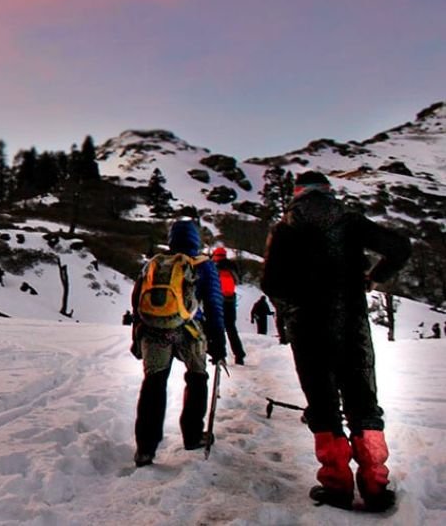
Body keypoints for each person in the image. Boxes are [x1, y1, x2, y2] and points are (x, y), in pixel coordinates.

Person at [261, 171, 411, 512]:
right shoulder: (351, 221)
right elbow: (400, 247)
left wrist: (292, 310)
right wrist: (373, 277)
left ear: (298, 195)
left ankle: (336, 484)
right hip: (352, 323)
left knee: (323, 404)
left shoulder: (284, 228)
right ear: (329, 193)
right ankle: (375, 483)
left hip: (309, 327)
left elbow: (271, 283)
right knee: (362, 400)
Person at [130, 219, 228, 467]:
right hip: (190, 332)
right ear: (196, 240)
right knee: (196, 378)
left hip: (154, 332)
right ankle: (193, 435)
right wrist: (218, 342)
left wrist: (136, 337)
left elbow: (136, 301)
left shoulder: (154, 263)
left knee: (154, 384)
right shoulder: (203, 266)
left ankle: (145, 448)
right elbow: (215, 305)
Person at [212, 246, 247, 364]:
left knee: (218, 329)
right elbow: (237, 281)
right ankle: (239, 355)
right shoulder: (232, 266)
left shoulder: (214, 267)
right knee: (231, 328)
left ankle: (220, 355)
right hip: (231, 300)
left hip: (218, 300)